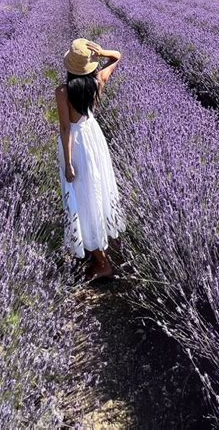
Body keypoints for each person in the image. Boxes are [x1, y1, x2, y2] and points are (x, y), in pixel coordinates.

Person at [55, 38, 126, 281]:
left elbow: (66, 129)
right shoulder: (98, 81)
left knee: (83, 199)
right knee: (99, 190)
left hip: (77, 144)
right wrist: (103, 52)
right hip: (94, 138)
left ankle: (101, 262)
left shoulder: (63, 92)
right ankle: (104, 244)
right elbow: (117, 56)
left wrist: (69, 163)